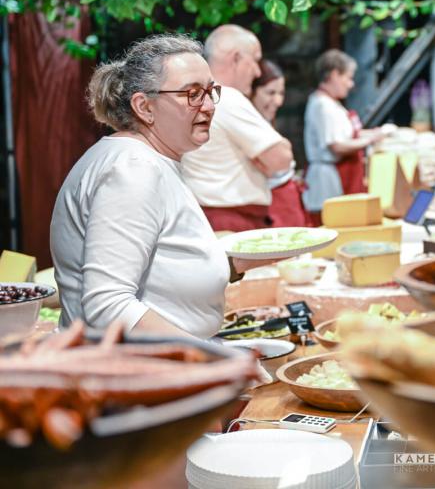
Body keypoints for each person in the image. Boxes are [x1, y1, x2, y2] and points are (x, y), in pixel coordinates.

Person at [50, 35, 270, 338]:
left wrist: (247, 258)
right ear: (144, 106)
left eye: (210, 91)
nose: (208, 106)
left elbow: (160, 266)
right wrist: (211, 357)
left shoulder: (147, 159)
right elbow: (108, 305)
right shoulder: (133, 170)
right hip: (131, 374)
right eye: (192, 93)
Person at [180, 25, 295, 232]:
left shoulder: (190, 97)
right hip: (233, 219)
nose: (258, 71)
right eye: (255, 60)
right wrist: (271, 153)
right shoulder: (226, 97)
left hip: (204, 216)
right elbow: (282, 158)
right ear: (236, 58)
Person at [302, 49, 388, 224]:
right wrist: (370, 140)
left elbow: (347, 134)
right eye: (348, 78)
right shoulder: (322, 106)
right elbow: (337, 145)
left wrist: (374, 133)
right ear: (334, 75)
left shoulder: (331, 104)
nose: (350, 84)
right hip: (327, 181)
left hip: (336, 176)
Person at [250, 59, 309, 227]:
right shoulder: (246, 122)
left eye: (281, 93)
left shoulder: (264, 122)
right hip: (271, 207)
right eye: (270, 93)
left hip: (288, 202)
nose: (278, 101)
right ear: (252, 90)